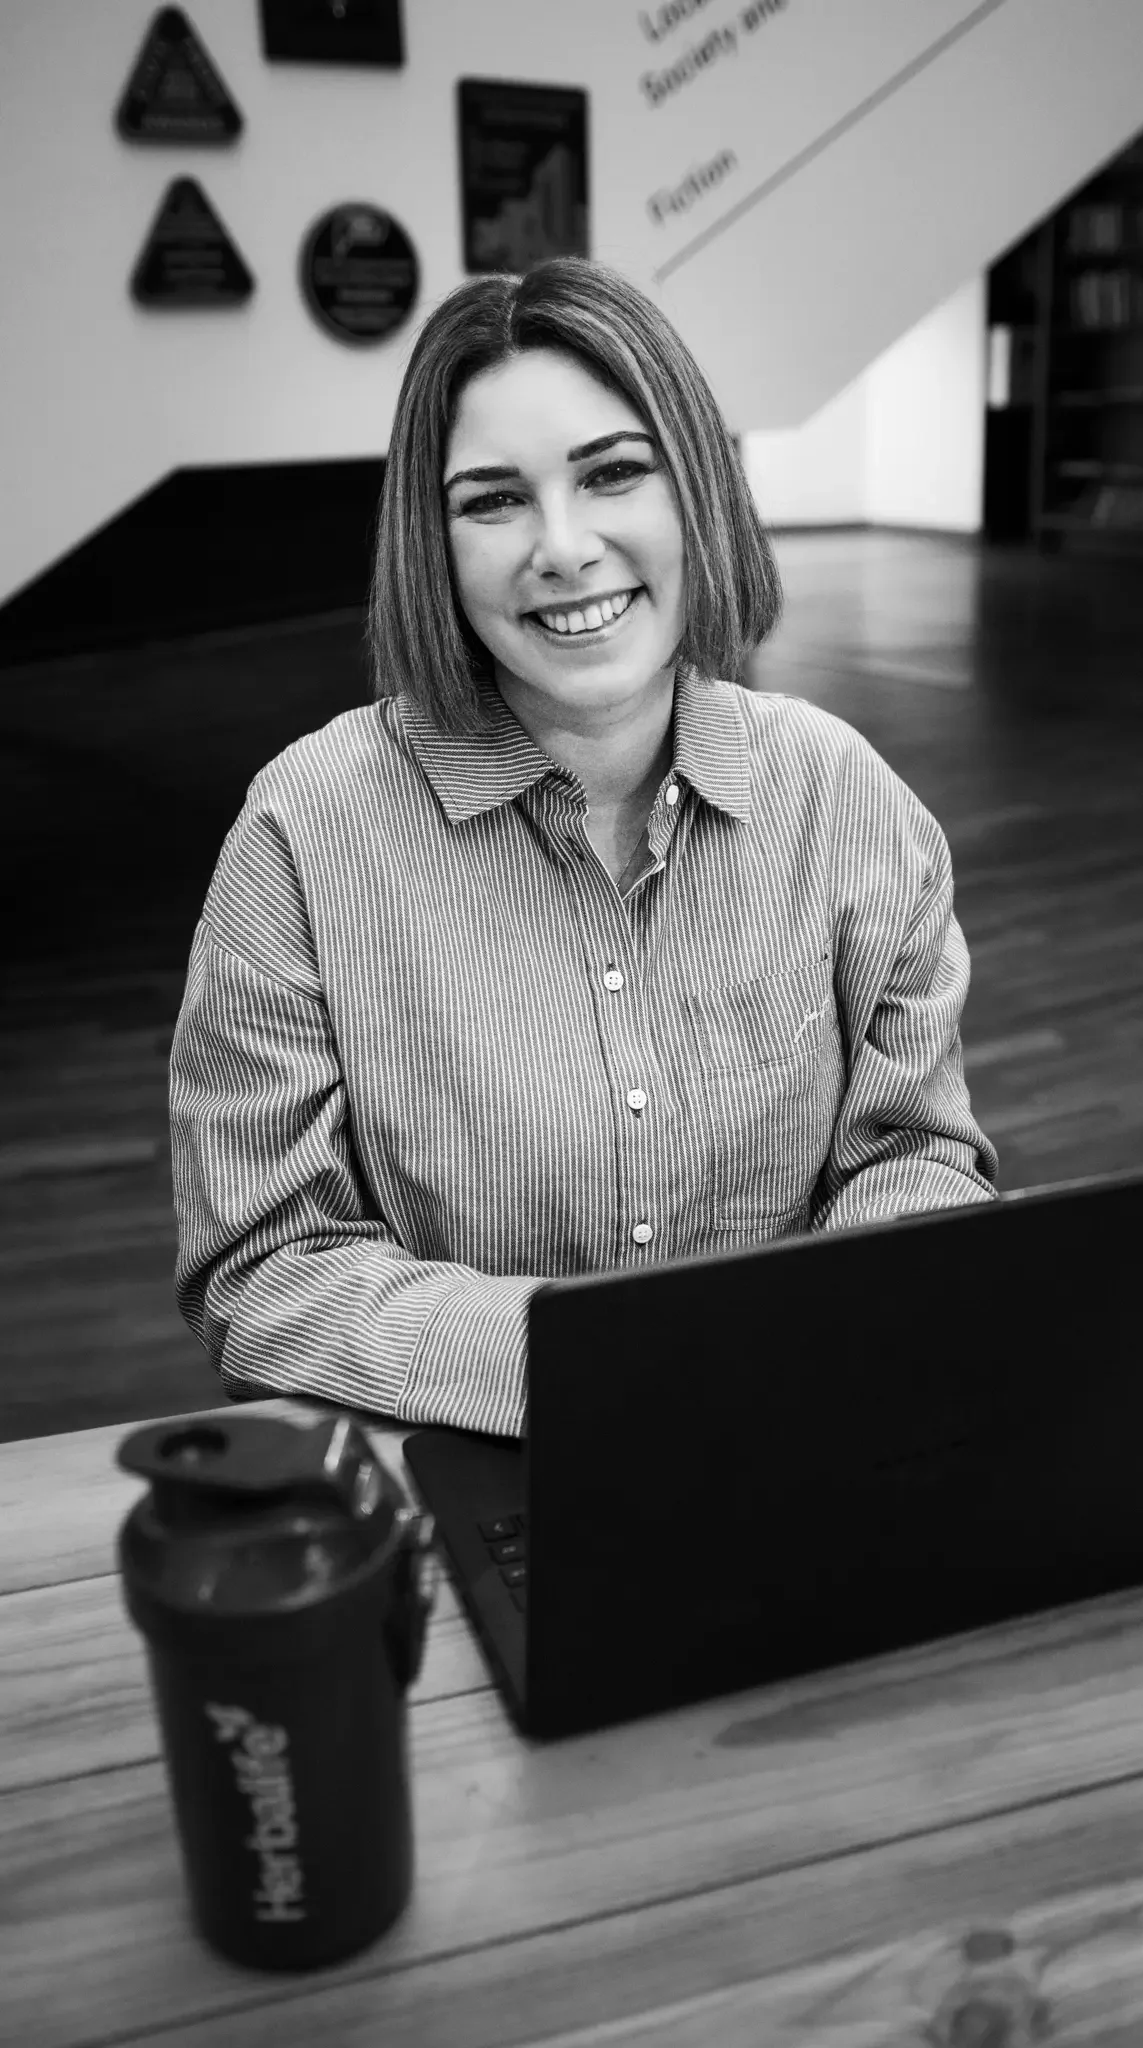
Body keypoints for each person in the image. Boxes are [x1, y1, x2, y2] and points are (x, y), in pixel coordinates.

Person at [169, 255, 999, 1437]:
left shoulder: (845, 800)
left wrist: (812, 1337)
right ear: (434, 540)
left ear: (696, 492)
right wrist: (605, 1361)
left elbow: (917, 1152)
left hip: (796, 1436)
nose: (562, 547)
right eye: (493, 499)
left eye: (612, 473)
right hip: (481, 1474)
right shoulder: (302, 834)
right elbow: (263, 1265)